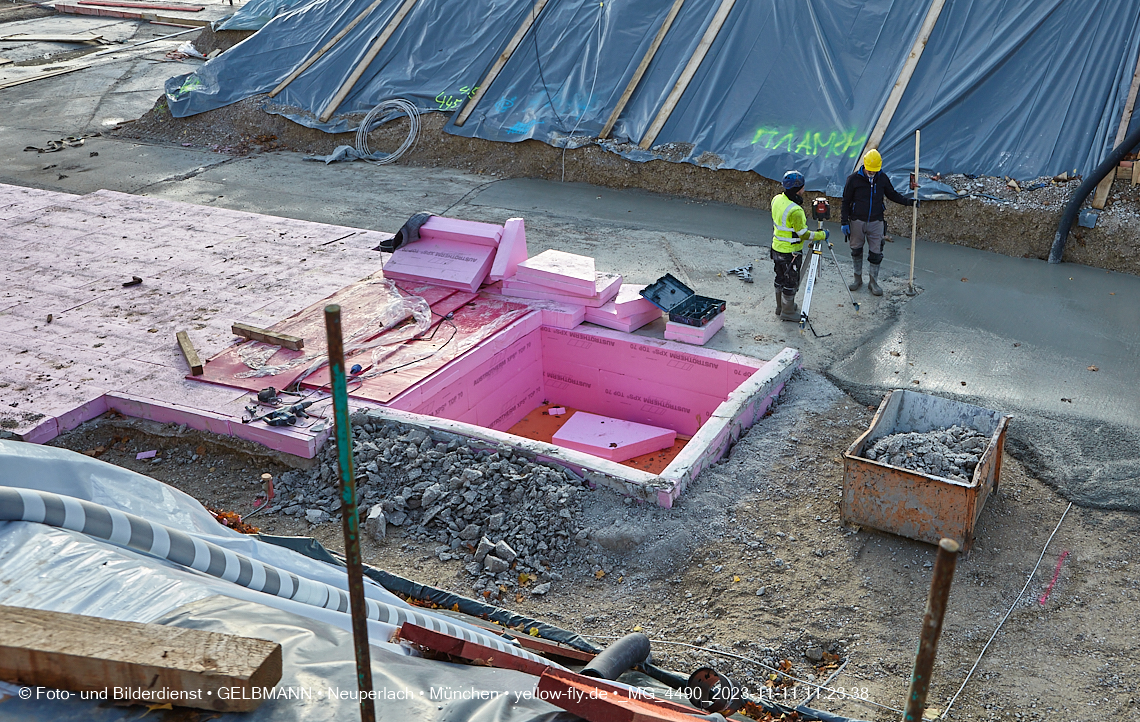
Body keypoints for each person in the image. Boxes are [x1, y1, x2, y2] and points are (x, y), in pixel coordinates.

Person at [840, 149, 917, 296]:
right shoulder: (853, 179)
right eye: (870, 170)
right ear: (865, 165)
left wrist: (909, 202)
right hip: (857, 220)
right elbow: (846, 202)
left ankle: (873, 282)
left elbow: (892, 194)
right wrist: (844, 221)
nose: (872, 173)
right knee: (856, 250)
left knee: (876, 253)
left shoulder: (882, 178)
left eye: (874, 171)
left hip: (876, 221)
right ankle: (857, 279)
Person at [771, 170, 828, 321]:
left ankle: (780, 307)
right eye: (802, 187)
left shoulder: (776, 199)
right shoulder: (796, 211)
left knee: (780, 277)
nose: (804, 190)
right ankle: (787, 312)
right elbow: (804, 234)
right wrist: (821, 235)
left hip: (776, 248)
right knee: (790, 282)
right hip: (791, 252)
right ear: (798, 189)